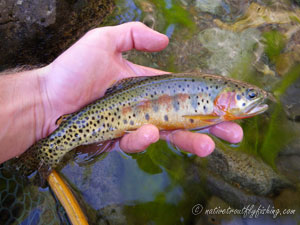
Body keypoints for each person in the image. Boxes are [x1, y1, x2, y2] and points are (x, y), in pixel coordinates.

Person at [0, 22, 243, 164]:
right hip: (99, 118)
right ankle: (45, 154)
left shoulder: (214, 104)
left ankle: (41, 156)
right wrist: (43, 98)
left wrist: (41, 100)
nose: (253, 101)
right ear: (226, 96)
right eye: (249, 97)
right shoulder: (213, 107)